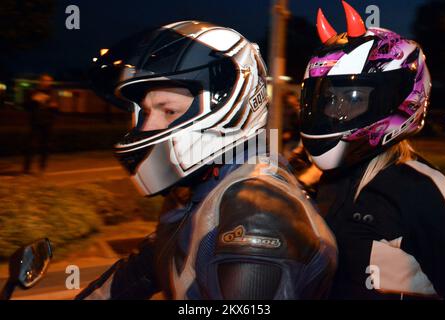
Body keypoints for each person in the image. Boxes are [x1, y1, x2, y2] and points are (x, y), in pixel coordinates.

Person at [75, 21, 337, 300]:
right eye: (146, 112)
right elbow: (143, 268)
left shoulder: (256, 218)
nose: (149, 127)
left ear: (226, 105)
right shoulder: (198, 188)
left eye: (168, 110)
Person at [297, 1, 445, 299]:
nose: (336, 110)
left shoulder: (422, 191)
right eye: (329, 99)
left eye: (353, 98)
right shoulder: (319, 183)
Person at [23, 74, 59, 174]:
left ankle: (42, 167)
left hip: (48, 123)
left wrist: (54, 107)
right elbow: (26, 107)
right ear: (40, 81)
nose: (47, 83)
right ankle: (27, 167)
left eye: (49, 81)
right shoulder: (33, 92)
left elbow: (57, 110)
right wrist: (34, 100)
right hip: (35, 122)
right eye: (45, 80)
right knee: (30, 145)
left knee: (45, 146)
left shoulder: (53, 93)